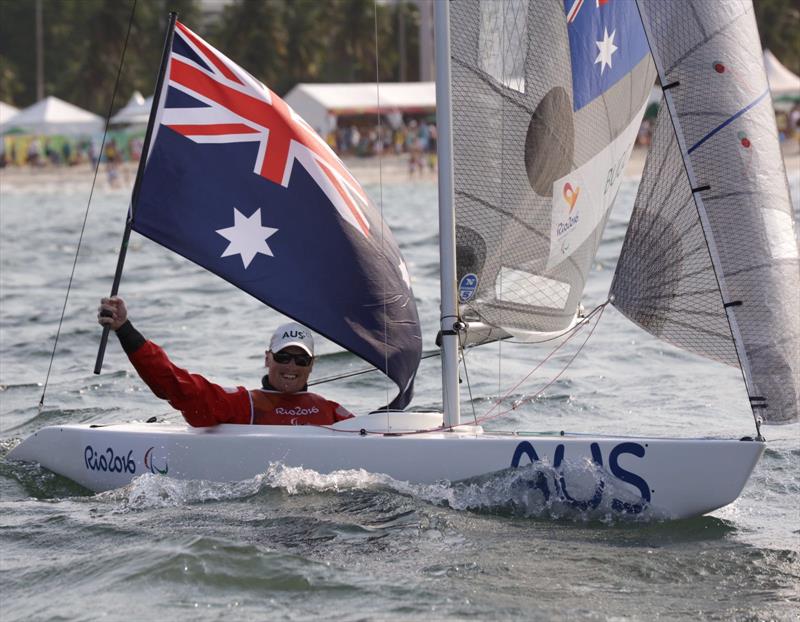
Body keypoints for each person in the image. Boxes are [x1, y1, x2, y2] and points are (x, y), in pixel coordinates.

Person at [97, 296, 355, 427]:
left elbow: (372, 436)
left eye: (301, 360)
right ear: (267, 358)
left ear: (311, 365)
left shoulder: (329, 410)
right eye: (283, 357)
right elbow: (176, 385)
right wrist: (125, 330)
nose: (291, 366)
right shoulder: (245, 405)